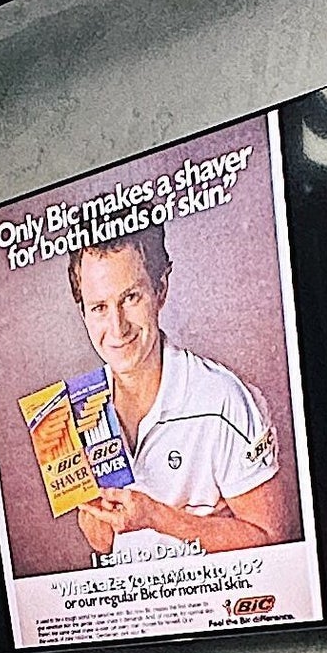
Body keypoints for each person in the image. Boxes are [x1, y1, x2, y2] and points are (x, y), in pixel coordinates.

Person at [62, 224, 296, 562]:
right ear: (83, 311)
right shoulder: (82, 409)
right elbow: (102, 543)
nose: (117, 326)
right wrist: (93, 502)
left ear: (160, 290)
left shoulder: (223, 399)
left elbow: (274, 541)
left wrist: (157, 517)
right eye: (99, 307)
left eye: (131, 298)